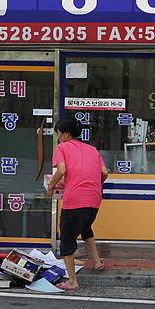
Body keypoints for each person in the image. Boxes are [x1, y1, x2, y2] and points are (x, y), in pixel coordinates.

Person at [46, 117, 108, 290]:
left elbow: (62, 170)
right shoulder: (92, 149)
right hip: (94, 198)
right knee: (85, 227)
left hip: (75, 199)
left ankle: (72, 281)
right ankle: (96, 262)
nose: (58, 137)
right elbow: (104, 172)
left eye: (59, 134)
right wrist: (94, 183)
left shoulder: (62, 147)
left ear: (66, 134)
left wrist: (51, 186)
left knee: (67, 239)